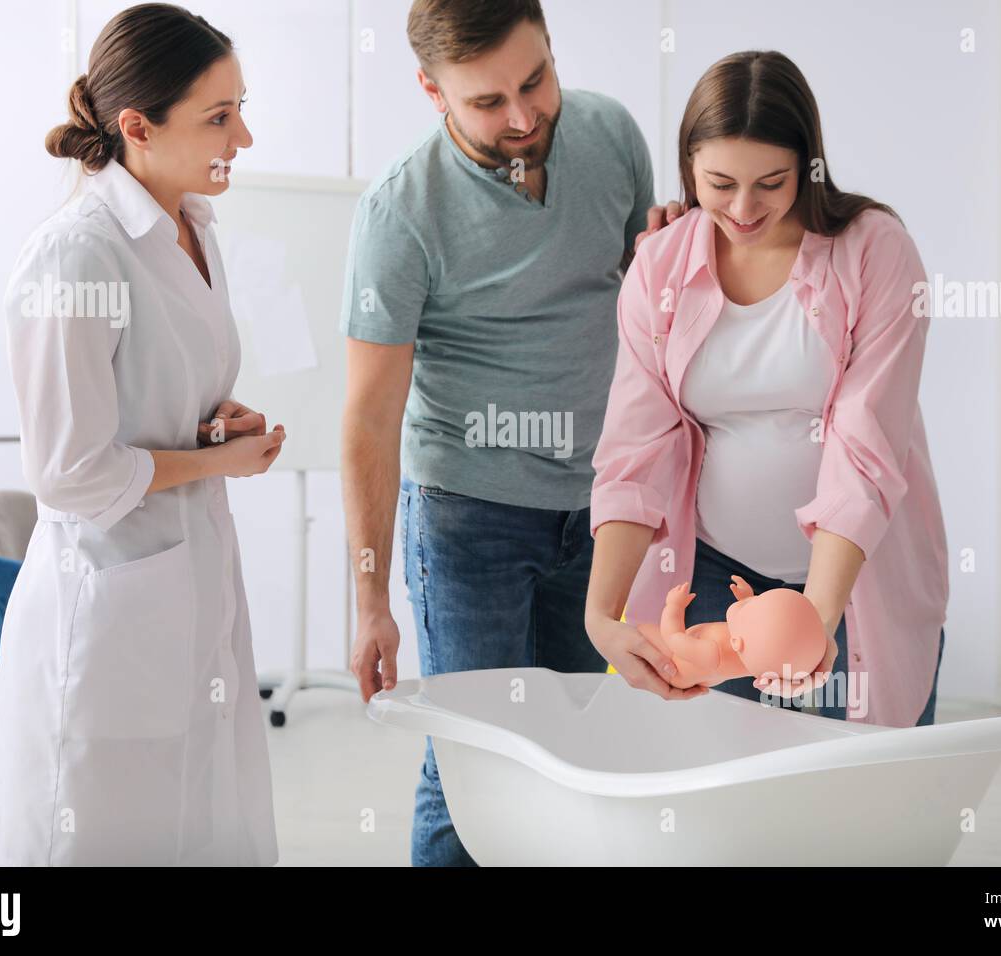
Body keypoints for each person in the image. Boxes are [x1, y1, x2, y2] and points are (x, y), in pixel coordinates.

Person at [339, 0, 689, 867]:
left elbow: (643, 310)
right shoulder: (399, 213)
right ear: (431, 90)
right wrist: (371, 602)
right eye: (488, 102)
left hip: (600, 512)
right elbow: (370, 419)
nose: (524, 116)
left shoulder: (610, 135)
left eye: (535, 80)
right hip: (469, 516)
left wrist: (674, 260)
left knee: (575, 752)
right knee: (472, 761)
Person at [0, 3, 283, 865]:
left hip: (194, 582)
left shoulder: (196, 229)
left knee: (202, 814)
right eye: (220, 117)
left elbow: (165, 390)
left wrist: (224, 421)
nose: (244, 137)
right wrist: (214, 461)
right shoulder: (75, 256)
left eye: (241, 106)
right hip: (111, 604)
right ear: (136, 127)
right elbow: (69, 474)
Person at [585, 50, 949, 729]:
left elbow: (865, 445)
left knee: (856, 806)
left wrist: (816, 614)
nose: (745, 209)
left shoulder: (876, 251)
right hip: (714, 581)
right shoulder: (661, 264)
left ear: (809, 165)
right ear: (688, 165)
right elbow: (636, 450)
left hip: (853, 583)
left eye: (771, 183)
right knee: (718, 802)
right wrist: (601, 616)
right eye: (720, 183)